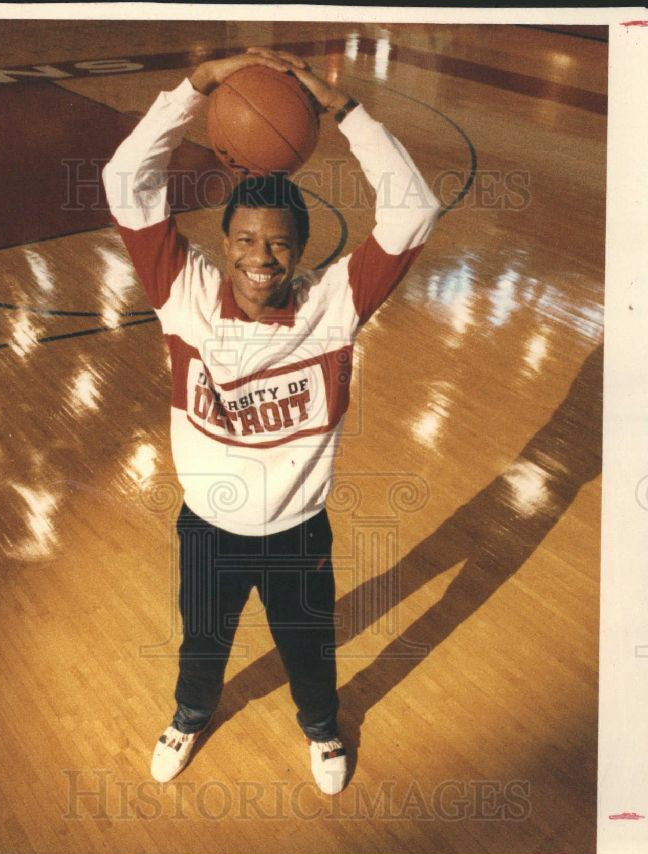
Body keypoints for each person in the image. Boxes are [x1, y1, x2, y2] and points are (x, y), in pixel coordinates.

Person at [103, 47, 440, 795]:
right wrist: (198, 85)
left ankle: (322, 729)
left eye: (279, 244)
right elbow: (126, 182)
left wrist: (340, 107)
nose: (262, 258)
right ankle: (191, 716)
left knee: (309, 644)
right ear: (223, 246)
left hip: (297, 532)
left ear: (300, 252)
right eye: (247, 242)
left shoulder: (334, 305)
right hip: (209, 527)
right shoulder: (182, 292)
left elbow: (414, 209)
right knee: (203, 642)